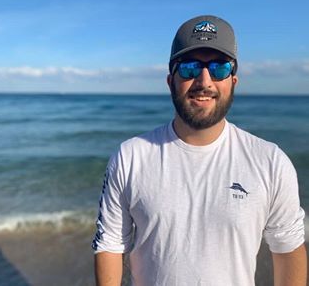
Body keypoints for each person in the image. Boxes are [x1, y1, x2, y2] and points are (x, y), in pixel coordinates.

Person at [92, 15, 307, 285]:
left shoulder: (270, 162)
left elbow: (288, 248)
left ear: (233, 82)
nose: (204, 81)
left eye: (218, 68)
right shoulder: (130, 157)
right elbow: (110, 244)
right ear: (171, 81)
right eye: (190, 67)